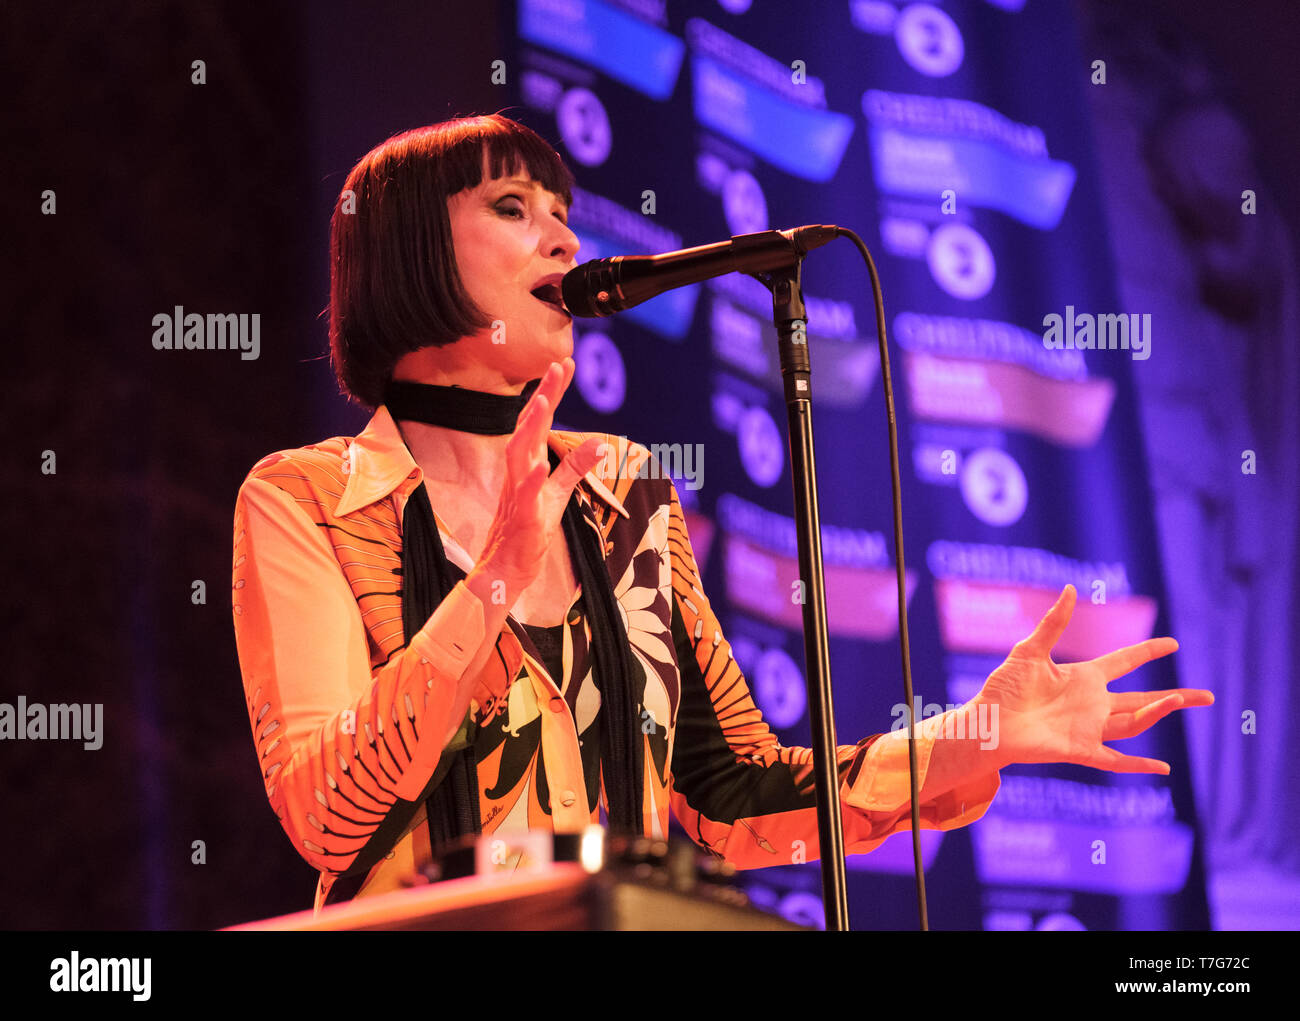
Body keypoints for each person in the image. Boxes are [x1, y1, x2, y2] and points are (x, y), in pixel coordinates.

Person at [230, 114, 1213, 914]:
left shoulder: (623, 489)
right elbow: (328, 817)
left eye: (565, 212)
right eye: (513, 206)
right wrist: (489, 581)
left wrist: (975, 736)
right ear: (407, 249)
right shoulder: (304, 497)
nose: (567, 239)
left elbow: (729, 791)